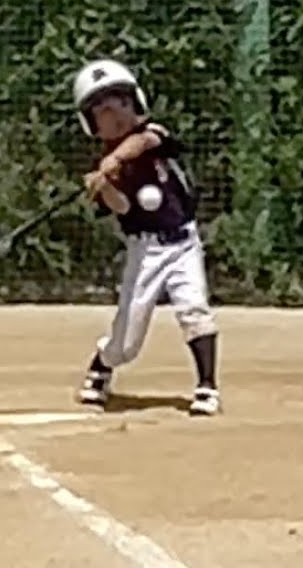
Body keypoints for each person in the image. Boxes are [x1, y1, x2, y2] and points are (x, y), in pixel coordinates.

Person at [71, 59, 221, 417]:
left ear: (135, 102)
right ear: (92, 123)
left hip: (184, 242)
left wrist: (116, 159)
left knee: (195, 310)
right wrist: (105, 185)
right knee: (127, 342)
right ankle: (102, 366)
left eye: (121, 103)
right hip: (147, 251)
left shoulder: (151, 137)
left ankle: (207, 386)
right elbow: (123, 209)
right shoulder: (109, 165)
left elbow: (145, 139)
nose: (116, 114)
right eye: (104, 111)